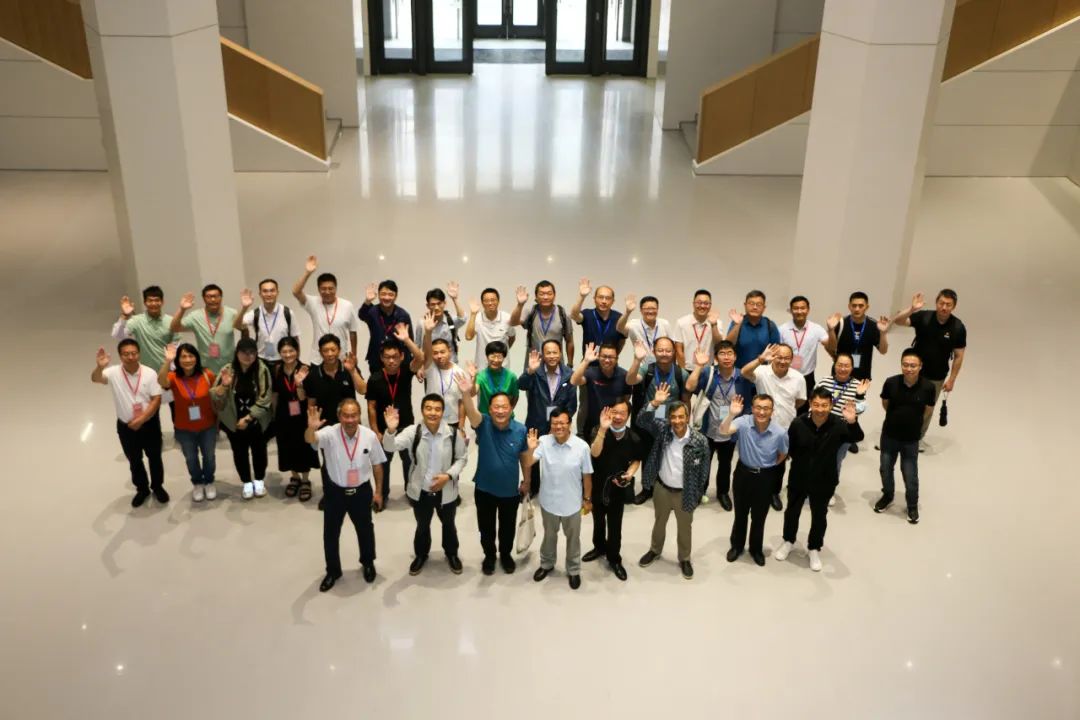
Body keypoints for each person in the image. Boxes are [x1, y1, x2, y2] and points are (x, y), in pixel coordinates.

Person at [774, 389, 864, 572]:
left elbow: (857, 437)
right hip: (799, 477)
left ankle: (814, 547)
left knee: (819, 516)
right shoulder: (798, 423)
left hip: (825, 479)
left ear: (831, 405)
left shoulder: (838, 424)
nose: (820, 409)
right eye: (816, 404)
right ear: (810, 404)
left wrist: (852, 421)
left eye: (824, 405)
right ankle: (788, 540)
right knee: (792, 511)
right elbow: (789, 447)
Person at [383, 396, 468, 576]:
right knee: (422, 525)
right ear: (422, 410)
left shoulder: (453, 434)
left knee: (449, 525)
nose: (433, 412)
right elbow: (390, 448)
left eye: (437, 409)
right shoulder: (413, 432)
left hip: (446, 490)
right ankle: (421, 555)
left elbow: (462, 458)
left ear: (443, 412)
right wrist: (390, 430)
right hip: (421, 491)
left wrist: (448, 476)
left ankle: (451, 554)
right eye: (428, 408)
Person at [306, 400, 385, 591]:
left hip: (361, 492)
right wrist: (311, 428)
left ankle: (368, 563)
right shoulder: (329, 434)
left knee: (365, 530)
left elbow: (377, 464)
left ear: (359, 415)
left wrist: (378, 492)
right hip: (335, 493)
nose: (350, 420)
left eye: (354, 415)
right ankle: (333, 571)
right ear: (339, 416)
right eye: (346, 416)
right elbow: (310, 440)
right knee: (330, 533)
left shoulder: (369, 436)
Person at [457, 374, 531, 575]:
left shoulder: (520, 430)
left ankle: (505, 555)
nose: (500, 411)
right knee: (486, 528)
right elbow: (471, 412)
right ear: (489, 410)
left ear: (511, 409)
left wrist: (527, 481)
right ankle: (489, 555)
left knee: (507, 528)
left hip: (510, 491)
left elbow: (525, 457)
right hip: (484, 489)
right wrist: (466, 393)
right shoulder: (484, 424)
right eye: (496, 407)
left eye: (504, 407)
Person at [636, 384, 709, 580]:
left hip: (686, 492)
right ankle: (655, 550)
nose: (677, 421)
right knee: (659, 522)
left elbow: (704, 471)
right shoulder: (663, 431)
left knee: (685, 527)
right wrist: (654, 403)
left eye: (681, 417)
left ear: (687, 417)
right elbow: (641, 420)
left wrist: (698, 493)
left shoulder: (699, 441)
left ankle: (684, 558)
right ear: (669, 418)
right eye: (673, 417)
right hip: (662, 488)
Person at [92, 340, 166, 507]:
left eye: (134, 353)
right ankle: (142, 489)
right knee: (134, 460)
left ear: (139, 354)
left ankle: (158, 487)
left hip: (149, 424)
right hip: (126, 427)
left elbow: (156, 399)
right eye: (126, 354)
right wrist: (99, 367)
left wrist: (142, 419)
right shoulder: (113, 372)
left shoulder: (149, 373)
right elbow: (96, 379)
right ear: (120, 356)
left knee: (155, 457)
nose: (131, 357)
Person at [630, 336, 703, 504]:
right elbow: (630, 380)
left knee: (670, 458)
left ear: (674, 352)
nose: (664, 353)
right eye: (660, 350)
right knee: (648, 457)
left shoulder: (679, 373)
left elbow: (686, 396)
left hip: (673, 425)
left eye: (668, 350)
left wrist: (686, 424)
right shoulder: (647, 369)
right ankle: (647, 489)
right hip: (649, 424)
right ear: (654, 351)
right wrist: (637, 360)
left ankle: (667, 490)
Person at [719, 394, 789, 567]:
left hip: (765, 477)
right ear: (752, 408)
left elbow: (783, 454)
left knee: (759, 516)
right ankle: (737, 546)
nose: (761, 412)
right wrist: (731, 414)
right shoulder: (743, 422)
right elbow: (723, 431)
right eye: (758, 407)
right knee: (740, 514)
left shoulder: (780, 432)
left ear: (772, 411)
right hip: (743, 474)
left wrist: (768, 466)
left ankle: (756, 549)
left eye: (766, 408)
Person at [528, 407, 592, 590]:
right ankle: (546, 564)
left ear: (570, 424)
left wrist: (587, 499)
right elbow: (528, 462)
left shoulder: (582, 446)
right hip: (549, 502)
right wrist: (530, 449)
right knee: (549, 536)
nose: (558, 427)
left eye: (562, 423)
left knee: (573, 539)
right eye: (555, 423)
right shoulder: (543, 442)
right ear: (550, 424)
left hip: (572, 504)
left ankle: (573, 570)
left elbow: (587, 476)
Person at [891, 290, 967, 442]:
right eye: (941, 303)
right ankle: (893, 434)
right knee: (903, 402)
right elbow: (897, 321)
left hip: (937, 375)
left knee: (927, 408)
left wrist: (952, 380)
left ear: (954, 306)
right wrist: (912, 309)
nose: (944, 307)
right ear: (936, 303)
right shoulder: (924, 317)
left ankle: (916, 439)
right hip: (913, 371)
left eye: (948, 304)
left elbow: (959, 355)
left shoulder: (958, 327)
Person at [302, 334, 367, 509]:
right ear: (320, 352)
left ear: (339, 350)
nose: (330, 353)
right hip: (326, 428)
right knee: (329, 463)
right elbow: (311, 402)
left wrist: (353, 371)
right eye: (325, 350)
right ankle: (330, 494)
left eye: (333, 349)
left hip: (350, 425)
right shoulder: (314, 374)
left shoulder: (349, 368)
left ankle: (355, 492)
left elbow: (363, 390)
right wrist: (312, 424)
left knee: (354, 460)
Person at [741, 343, 807, 511]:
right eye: (779, 357)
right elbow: (744, 372)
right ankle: (755, 489)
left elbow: (800, 401)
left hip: (784, 428)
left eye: (787, 358)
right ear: (773, 357)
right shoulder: (762, 371)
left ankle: (774, 492)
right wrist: (760, 359)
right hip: (761, 426)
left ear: (792, 360)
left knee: (779, 461)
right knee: (757, 458)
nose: (782, 361)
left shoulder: (798, 378)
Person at [583, 403, 646, 581]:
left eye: (622, 413)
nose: (618, 417)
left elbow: (636, 460)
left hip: (618, 488)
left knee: (615, 525)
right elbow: (594, 453)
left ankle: (614, 558)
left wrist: (629, 474)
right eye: (615, 412)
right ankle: (599, 547)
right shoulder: (597, 430)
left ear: (628, 415)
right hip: (597, 485)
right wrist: (603, 429)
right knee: (598, 521)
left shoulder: (633, 438)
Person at [874, 349, 936, 524]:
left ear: (920, 366)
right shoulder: (891, 382)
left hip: (911, 439)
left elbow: (928, 410)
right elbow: (885, 403)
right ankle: (888, 495)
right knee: (885, 469)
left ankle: (912, 505)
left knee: (910, 475)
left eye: (913, 365)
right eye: (905, 365)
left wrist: (913, 423)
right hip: (889, 435)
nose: (909, 369)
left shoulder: (928, 387)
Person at [694, 340, 755, 511]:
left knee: (725, 464)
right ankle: (700, 491)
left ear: (735, 357)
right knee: (704, 463)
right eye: (722, 353)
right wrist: (699, 366)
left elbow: (749, 403)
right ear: (716, 357)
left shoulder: (743, 377)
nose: (726, 357)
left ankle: (722, 493)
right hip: (708, 429)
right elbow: (691, 387)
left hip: (730, 430)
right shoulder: (708, 373)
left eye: (730, 353)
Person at [366, 328, 425, 501]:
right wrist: (375, 431)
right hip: (384, 430)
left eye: (395, 356)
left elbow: (420, 358)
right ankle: (382, 494)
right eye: (387, 357)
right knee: (384, 463)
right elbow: (371, 407)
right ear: (381, 358)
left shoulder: (406, 371)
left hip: (406, 427)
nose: (391, 360)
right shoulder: (375, 379)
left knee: (409, 462)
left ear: (401, 356)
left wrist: (407, 340)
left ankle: (411, 492)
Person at [211, 339, 273, 500]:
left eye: (252, 353)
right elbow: (215, 395)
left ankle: (259, 481)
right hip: (234, 422)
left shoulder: (262, 370)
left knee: (259, 452)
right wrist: (224, 386)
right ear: (237, 353)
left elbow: (266, 398)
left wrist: (248, 418)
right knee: (240, 453)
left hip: (256, 420)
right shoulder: (227, 370)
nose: (248, 356)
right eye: (244, 352)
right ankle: (246, 482)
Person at [518, 341, 578, 495]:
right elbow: (521, 385)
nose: (552, 356)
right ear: (543, 355)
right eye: (548, 353)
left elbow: (572, 404)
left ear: (560, 354)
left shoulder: (569, 374)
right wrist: (529, 371)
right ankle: (533, 487)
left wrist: (561, 423)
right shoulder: (536, 371)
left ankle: (555, 487)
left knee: (558, 458)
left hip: (559, 426)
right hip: (536, 421)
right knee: (532, 455)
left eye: (555, 352)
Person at [158, 343, 217, 501]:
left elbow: (217, 394)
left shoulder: (207, 374)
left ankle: (209, 481)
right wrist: (167, 361)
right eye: (183, 356)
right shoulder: (173, 377)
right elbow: (161, 381)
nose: (187, 360)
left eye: (191, 356)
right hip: (184, 428)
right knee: (191, 458)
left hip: (208, 426)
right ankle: (197, 483)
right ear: (178, 360)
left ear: (197, 358)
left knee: (209, 456)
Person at [815, 353, 870, 503]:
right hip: (821, 430)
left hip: (842, 434)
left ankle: (829, 491)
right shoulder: (825, 381)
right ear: (835, 366)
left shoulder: (857, 385)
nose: (843, 368)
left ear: (852, 367)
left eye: (846, 366)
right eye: (840, 365)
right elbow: (813, 402)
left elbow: (860, 410)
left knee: (835, 462)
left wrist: (859, 396)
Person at [271, 336, 319, 502]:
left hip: (301, 415)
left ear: (297, 351)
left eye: (291, 350)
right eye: (284, 351)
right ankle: (295, 477)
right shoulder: (277, 370)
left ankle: (305, 480)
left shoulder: (306, 370)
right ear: (279, 352)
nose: (288, 354)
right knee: (287, 445)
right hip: (283, 414)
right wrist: (274, 415)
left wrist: (299, 384)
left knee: (303, 446)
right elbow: (275, 394)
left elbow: (304, 398)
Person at [568, 341, 644, 440]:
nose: (607, 360)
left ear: (616, 359)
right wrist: (586, 361)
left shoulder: (624, 375)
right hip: (591, 425)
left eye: (611, 357)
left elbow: (625, 401)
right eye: (604, 356)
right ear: (598, 357)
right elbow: (574, 381)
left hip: (614, 426)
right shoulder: (591, 373)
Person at [292, 255, 360, 358]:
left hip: (340, 357)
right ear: (318, 289)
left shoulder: (347, 305)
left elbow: (353, 332)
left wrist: (354, 354)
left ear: (336, 288)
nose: (327, 292)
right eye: (323, 289)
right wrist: (307, 273)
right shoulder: (313, 303)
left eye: (330, 288)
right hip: (318, 357)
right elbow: (296, 292)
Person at [111, 286, 179, 382]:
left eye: (157, 300)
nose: (153, 303)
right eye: (150, 300)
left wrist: (172, 368)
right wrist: (124, 316)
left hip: (167, 373)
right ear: (145, 302)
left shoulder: (171, 321)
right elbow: (117, 335)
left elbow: (176, 347)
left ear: (162, 302)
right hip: (145, 375)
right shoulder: (137, 320)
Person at [170, 284, 238, 376]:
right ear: (204, 298)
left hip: (229, 368)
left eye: (216, 296)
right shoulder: (196, 316)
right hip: (205, 371)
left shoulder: (232, 313)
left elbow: (244, 328)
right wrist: (182, 309)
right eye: (209, 297)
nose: (213, 299)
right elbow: (174, 327)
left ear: (221, 297)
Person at [825, 291, 890, 382]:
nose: (857, 309)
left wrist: (883, 333)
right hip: (840, 373)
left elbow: (883, 351)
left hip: (862, 375)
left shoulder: (873, 325)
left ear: (867, 307)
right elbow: (831, 348)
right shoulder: (840, 323)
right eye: (854, 305)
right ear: (849, 306)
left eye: (861, 306)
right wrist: (831, 330)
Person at [509, 281, 575, 365]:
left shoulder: (562, 313)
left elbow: (569, 341)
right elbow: (513, 322)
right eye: (541, 294)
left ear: (554, 295)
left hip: (556, 364)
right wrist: (520, 304)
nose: (545, 297)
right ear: (536, 296)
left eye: (549, 294)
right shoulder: (531, 311)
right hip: (533, 364)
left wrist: (570, 364)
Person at [419, 312, 466, 430]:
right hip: (431, 421)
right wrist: (428, 332)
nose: (439, 356)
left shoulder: (459, 372)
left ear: (450, 351)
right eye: (435, 353)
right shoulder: (430, 367)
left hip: (453, 422)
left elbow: (462, 402)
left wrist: (461, 427)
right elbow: (426, 352)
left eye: (442, 352)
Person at [779, 295, 828, 403]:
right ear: (791, 310)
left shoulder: (816, 329)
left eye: (802, 308)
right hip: (786, 375)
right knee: (787, 405)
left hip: (808, 376)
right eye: (796, 308)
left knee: (806, 406)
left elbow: (830, 345)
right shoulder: (782, 329)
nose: (799, 311)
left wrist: (832, 330)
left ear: (808, 310)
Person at [235, 279, 296, 366]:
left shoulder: (287, 313)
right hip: (261, 361)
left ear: (277, 293)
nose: (269, 294)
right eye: (265, 291)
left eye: (272, 290)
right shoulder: (255, 313)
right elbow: (237, 325)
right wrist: (244, 308)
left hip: (284, 360)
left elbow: (295, 338)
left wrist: (296, 361)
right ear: (260, 294)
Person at [358, 279, 412, 373]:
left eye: (390, 294)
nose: (386, 297)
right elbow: (362, 315)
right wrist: (367, 301)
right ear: (378, 295)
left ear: (396, 296)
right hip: (376, 359)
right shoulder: (373, 311)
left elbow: (409, 341)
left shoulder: (403, 315)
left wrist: (409, 364)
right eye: (383, 294)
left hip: (398, 362)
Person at [726, 290, 781, 368]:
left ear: (764, 308)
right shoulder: (737, 322)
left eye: (759, 304)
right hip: (739, 372)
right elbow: (727, 346)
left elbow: (776, 352)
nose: (755, 307)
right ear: (745, 305)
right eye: (751, 304)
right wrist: (737, 325)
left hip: (762, 373)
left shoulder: (770, 325)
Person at [413, 284, 466, 364]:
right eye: (433, 304)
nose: (436, 307)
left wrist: (454, 299)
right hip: (430, 366)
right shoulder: (422, 323)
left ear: (444, 303)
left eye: (439, 303)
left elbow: (462, 319)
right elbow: (417, 347)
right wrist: (419, 366)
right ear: (428, 306)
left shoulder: (450, 320)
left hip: (450, 365)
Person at [464, 288, 516, 368]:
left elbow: (512, 337)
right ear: (482, 303)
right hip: (482, 365)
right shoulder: (477, 318)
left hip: (502, 365)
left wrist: (502, 350)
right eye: (486, 301)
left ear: (498, 301)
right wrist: (473, 314)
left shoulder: (506, 318)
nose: (490, 303)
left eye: (493, 300)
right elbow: (468, 337)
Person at [617, 294, 671, 366]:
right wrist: (627, 312)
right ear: (641, 310)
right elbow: (619, 328)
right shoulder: (634, 324)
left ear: (657, 309)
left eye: (653, 308)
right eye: (647, 308)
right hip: (641, 366)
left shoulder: (664, 324)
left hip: (663, 366)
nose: (650, 311)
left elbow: (672, 346)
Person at [674, 289, 722, 370]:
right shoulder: (681, 322)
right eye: (699, 302)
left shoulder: (717, 323)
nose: (702, 306)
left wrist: (714, 325)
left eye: (706, 303)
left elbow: (719, 345)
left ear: (710, 305)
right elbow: (678, 350)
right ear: (693, 304)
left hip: (708, 369)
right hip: (687, 369)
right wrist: (683, 371)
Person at [474, 340, 519, 413]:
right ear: (487, 356)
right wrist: (473, 379)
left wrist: (509, 411)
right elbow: (473, 392)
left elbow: (515, 396)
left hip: (504, 416)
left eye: (499, 357)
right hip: (486, 416)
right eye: (492, 356)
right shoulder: (481, 376)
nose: (496, 360)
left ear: (504, 358)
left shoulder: (511, 377)